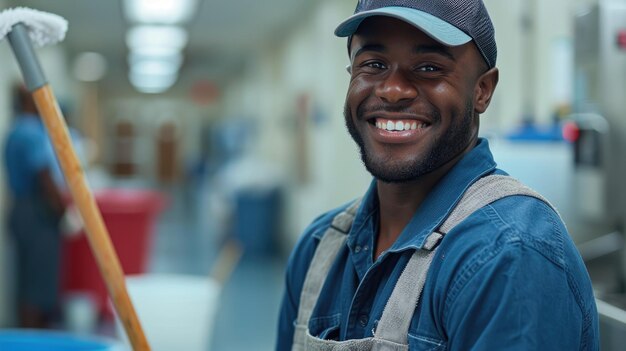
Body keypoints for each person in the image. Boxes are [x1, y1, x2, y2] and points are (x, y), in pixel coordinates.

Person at [276, 1, 599, 350]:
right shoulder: (320, 247)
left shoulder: (508, 255)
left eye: (428, 67)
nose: (392, 89)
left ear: (482, 90)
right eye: (373, 64)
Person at [4, 84, 67, 328]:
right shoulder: (32, 133)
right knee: (38, 284)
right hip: (37, 213)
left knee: (26, 278)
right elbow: (45, 178)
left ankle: (27, 337)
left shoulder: (15, 130)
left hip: (19, 211)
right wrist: (63, 212)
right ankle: (35, 338)